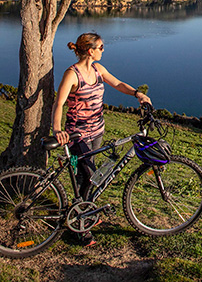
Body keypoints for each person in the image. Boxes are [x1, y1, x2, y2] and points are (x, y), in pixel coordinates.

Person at [52, 32, 151, 245]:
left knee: (90, 174)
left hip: (97, 131)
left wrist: (138, 94)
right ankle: (79, 226)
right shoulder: (72, 75)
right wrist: (57, 130)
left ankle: (85, 210)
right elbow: (58, 103)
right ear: (90, 51)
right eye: (101, 47)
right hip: (77, 135)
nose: (103, 50)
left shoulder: (98, 69)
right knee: (87, 175)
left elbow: (118, 84)